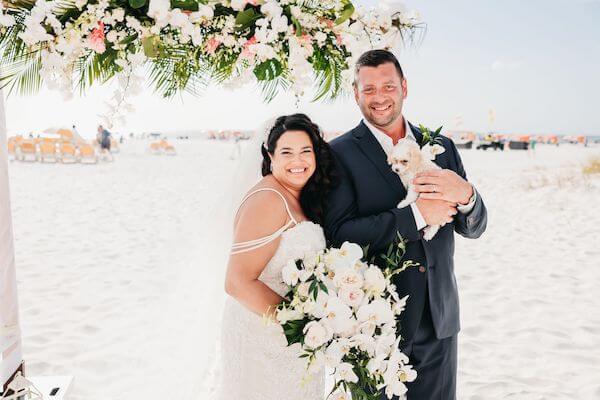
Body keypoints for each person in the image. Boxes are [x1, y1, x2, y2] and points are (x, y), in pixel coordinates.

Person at [323, 50, 488, 400]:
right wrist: (416, 216)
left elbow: (474, 227)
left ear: (404, 88)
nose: (379, 97)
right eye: (369, 89)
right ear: (356, 94)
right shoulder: (337, 154)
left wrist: (467, 194)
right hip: (374, 325)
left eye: (388, 86)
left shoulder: (441, 146)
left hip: (440, 320)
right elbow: (339, 235)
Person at [216, 114, 336, 400]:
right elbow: (237, 282)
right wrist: (303, 326)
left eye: (306, 151)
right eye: (287, 152)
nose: (298, 160)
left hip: (289, 341)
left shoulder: (294, 195)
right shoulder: (269, 199)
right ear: (270, 156)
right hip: (264, 340)